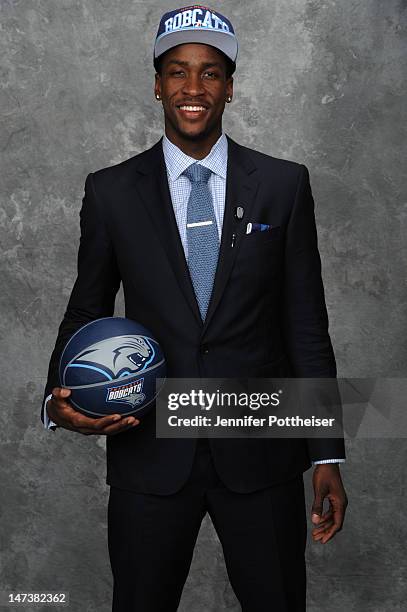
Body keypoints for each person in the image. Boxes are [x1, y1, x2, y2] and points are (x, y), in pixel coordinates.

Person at [42, 6, 348, 611]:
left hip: (259, 451)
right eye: (177, 72)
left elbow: (306, 324)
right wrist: (58, 400)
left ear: (230, 87)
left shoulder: (284, 184)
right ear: (157, 85)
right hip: (149, 453)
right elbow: (86, 312)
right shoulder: (110, 191)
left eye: (210, 73)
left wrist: (326, 452)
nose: (192, 88)